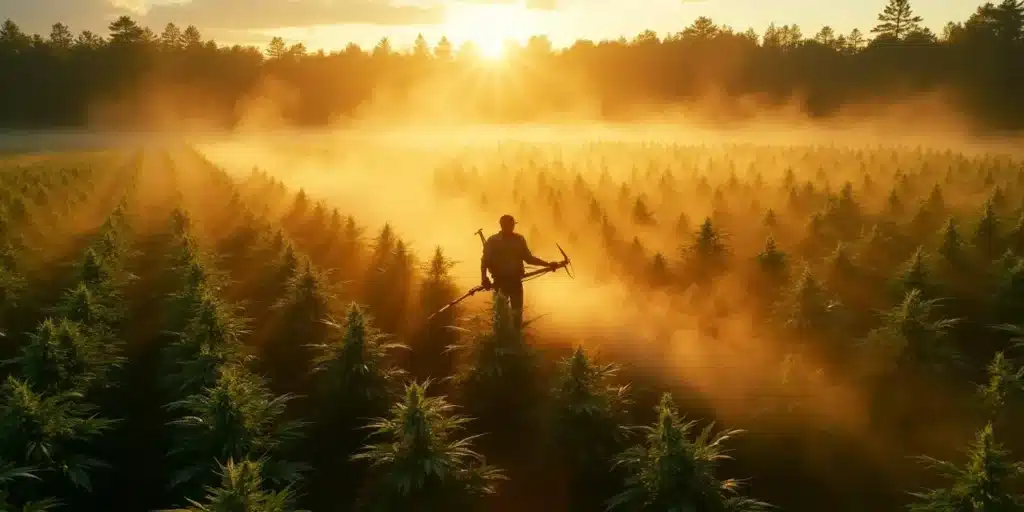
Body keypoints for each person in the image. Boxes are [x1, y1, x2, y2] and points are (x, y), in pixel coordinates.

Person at [481, 214, 560, 325]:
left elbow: (528, 258)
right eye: (508, 225)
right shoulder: (493, 241)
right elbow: (485, 261)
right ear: (502, 225)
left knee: (516, 314)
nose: (510, 227)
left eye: (511, 225)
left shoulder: (518, 239)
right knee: (499, 315)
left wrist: (547, 264)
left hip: (515, 282)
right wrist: (484, 278)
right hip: (499, 282)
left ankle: (515, 338)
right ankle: (500, 339)